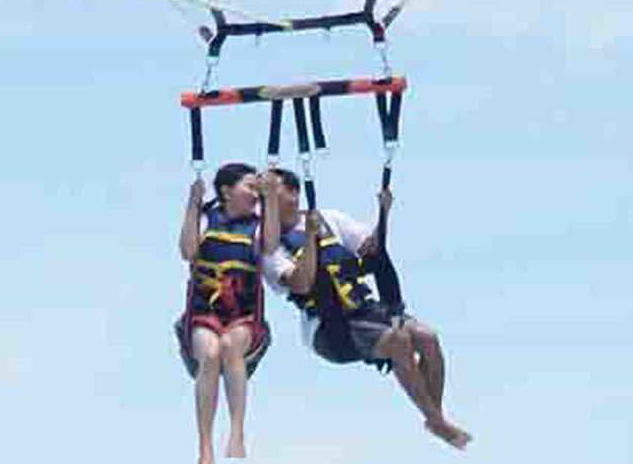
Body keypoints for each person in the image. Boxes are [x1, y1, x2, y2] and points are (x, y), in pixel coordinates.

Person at [264, 167, 471, 450]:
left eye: (271, 188)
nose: (263, 195)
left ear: (293, 193)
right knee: (399, 341)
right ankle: (438, 421)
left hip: (364, 308)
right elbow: (300, 284)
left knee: (428, 338)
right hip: (328, 327)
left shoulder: (329, 218)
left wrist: (384, 213)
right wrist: (310, 239)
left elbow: (372, 249)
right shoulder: (268, 245)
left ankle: (435, 419)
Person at [177, 163, 280, 464]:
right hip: (203, 311)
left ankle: (237, 432)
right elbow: (187, 251)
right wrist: (192, 205)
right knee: (209, 354)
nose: (254, 195)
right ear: (226, 191)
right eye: (249, 187)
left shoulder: (259, 223)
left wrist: (271, 197)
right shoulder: (207, 217)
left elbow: (271, 245)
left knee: (229, 347)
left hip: (244, 315)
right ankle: (205, 447)